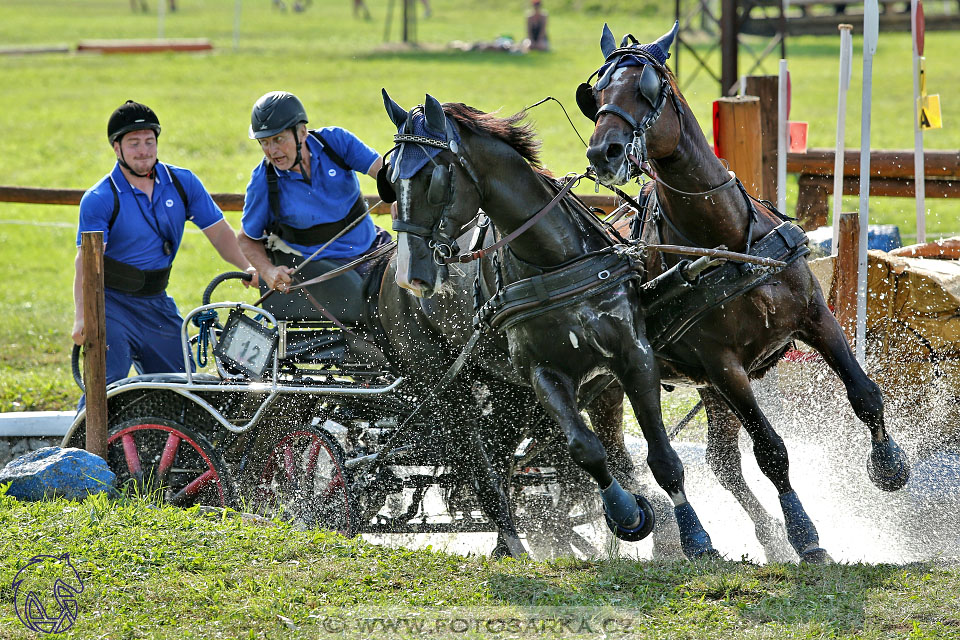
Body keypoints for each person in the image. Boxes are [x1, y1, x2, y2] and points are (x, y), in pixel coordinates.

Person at [73, 100, 256, 389]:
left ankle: (162, 434)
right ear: (116, 148)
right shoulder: (100, 198)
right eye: (134, 143)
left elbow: (220, 233)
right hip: (110, 305)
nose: (144, 150)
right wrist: (83, 317)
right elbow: (86, 261)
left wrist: (248, 266)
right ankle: (86, 436)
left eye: (149, 141)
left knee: (185, 385)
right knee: (104, 389)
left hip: (156, 301)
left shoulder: (183, 183)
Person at [239, 91, 388, 325]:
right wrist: (267, 271)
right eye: (264, 142)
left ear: (302, 132)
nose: (272, 150)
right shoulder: (263, 181)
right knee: (385, 315)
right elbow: (247, 239)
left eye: (278, 139)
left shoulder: (336, 142)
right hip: (326, 272)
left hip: (374, 246)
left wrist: (399, 196)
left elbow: (386, 175)